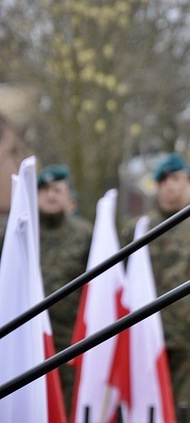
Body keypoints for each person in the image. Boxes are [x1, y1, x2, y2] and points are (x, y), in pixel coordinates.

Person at [122, 153, 190, 422]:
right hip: (143, 337)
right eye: (162, 180)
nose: (169, 186)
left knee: (185, 411)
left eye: (176, 179)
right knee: (142, 410)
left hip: (189, 337)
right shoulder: (138, 229)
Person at [36, 164, 93, 411]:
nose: (51, 195)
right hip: (27, 337)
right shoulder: (17, 231)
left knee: (67, 405)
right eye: (45, 189)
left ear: (68, 194)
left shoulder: (85, 234)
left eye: (57, 189)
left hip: (70, 340)